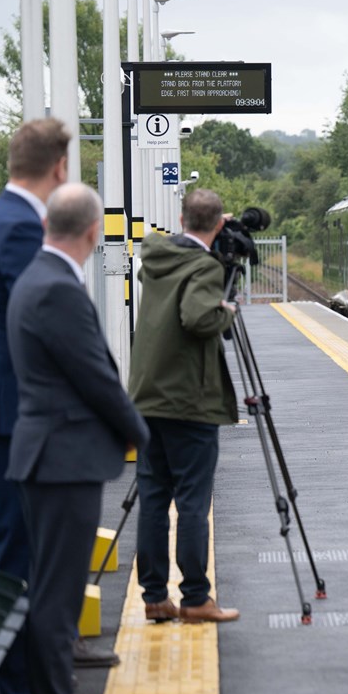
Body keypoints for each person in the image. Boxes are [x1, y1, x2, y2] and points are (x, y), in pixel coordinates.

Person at [6, 183, 148, 694]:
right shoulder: (58, 288)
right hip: (63, 459)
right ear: (94, 231)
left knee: (49, 590)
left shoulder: (35, 278)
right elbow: (97, 378)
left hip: (46, 454)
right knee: (57, 597)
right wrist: (142, 436)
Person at [0, 117, 69, 694]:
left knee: (5, 552)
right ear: (60, 169)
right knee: (17, 557)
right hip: (12, 415)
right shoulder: (16, 229)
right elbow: (33, 324)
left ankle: (18, 691)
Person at [129, 188, 241, 624]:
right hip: (188, 403)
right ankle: (196, 598)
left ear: (180, 219)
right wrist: (227, 310)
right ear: (217, 226)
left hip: (147, 397)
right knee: (193, 502)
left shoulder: (158, 260)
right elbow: (198, 318)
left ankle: (155, 596)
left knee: (154, 499)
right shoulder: (203, 266)